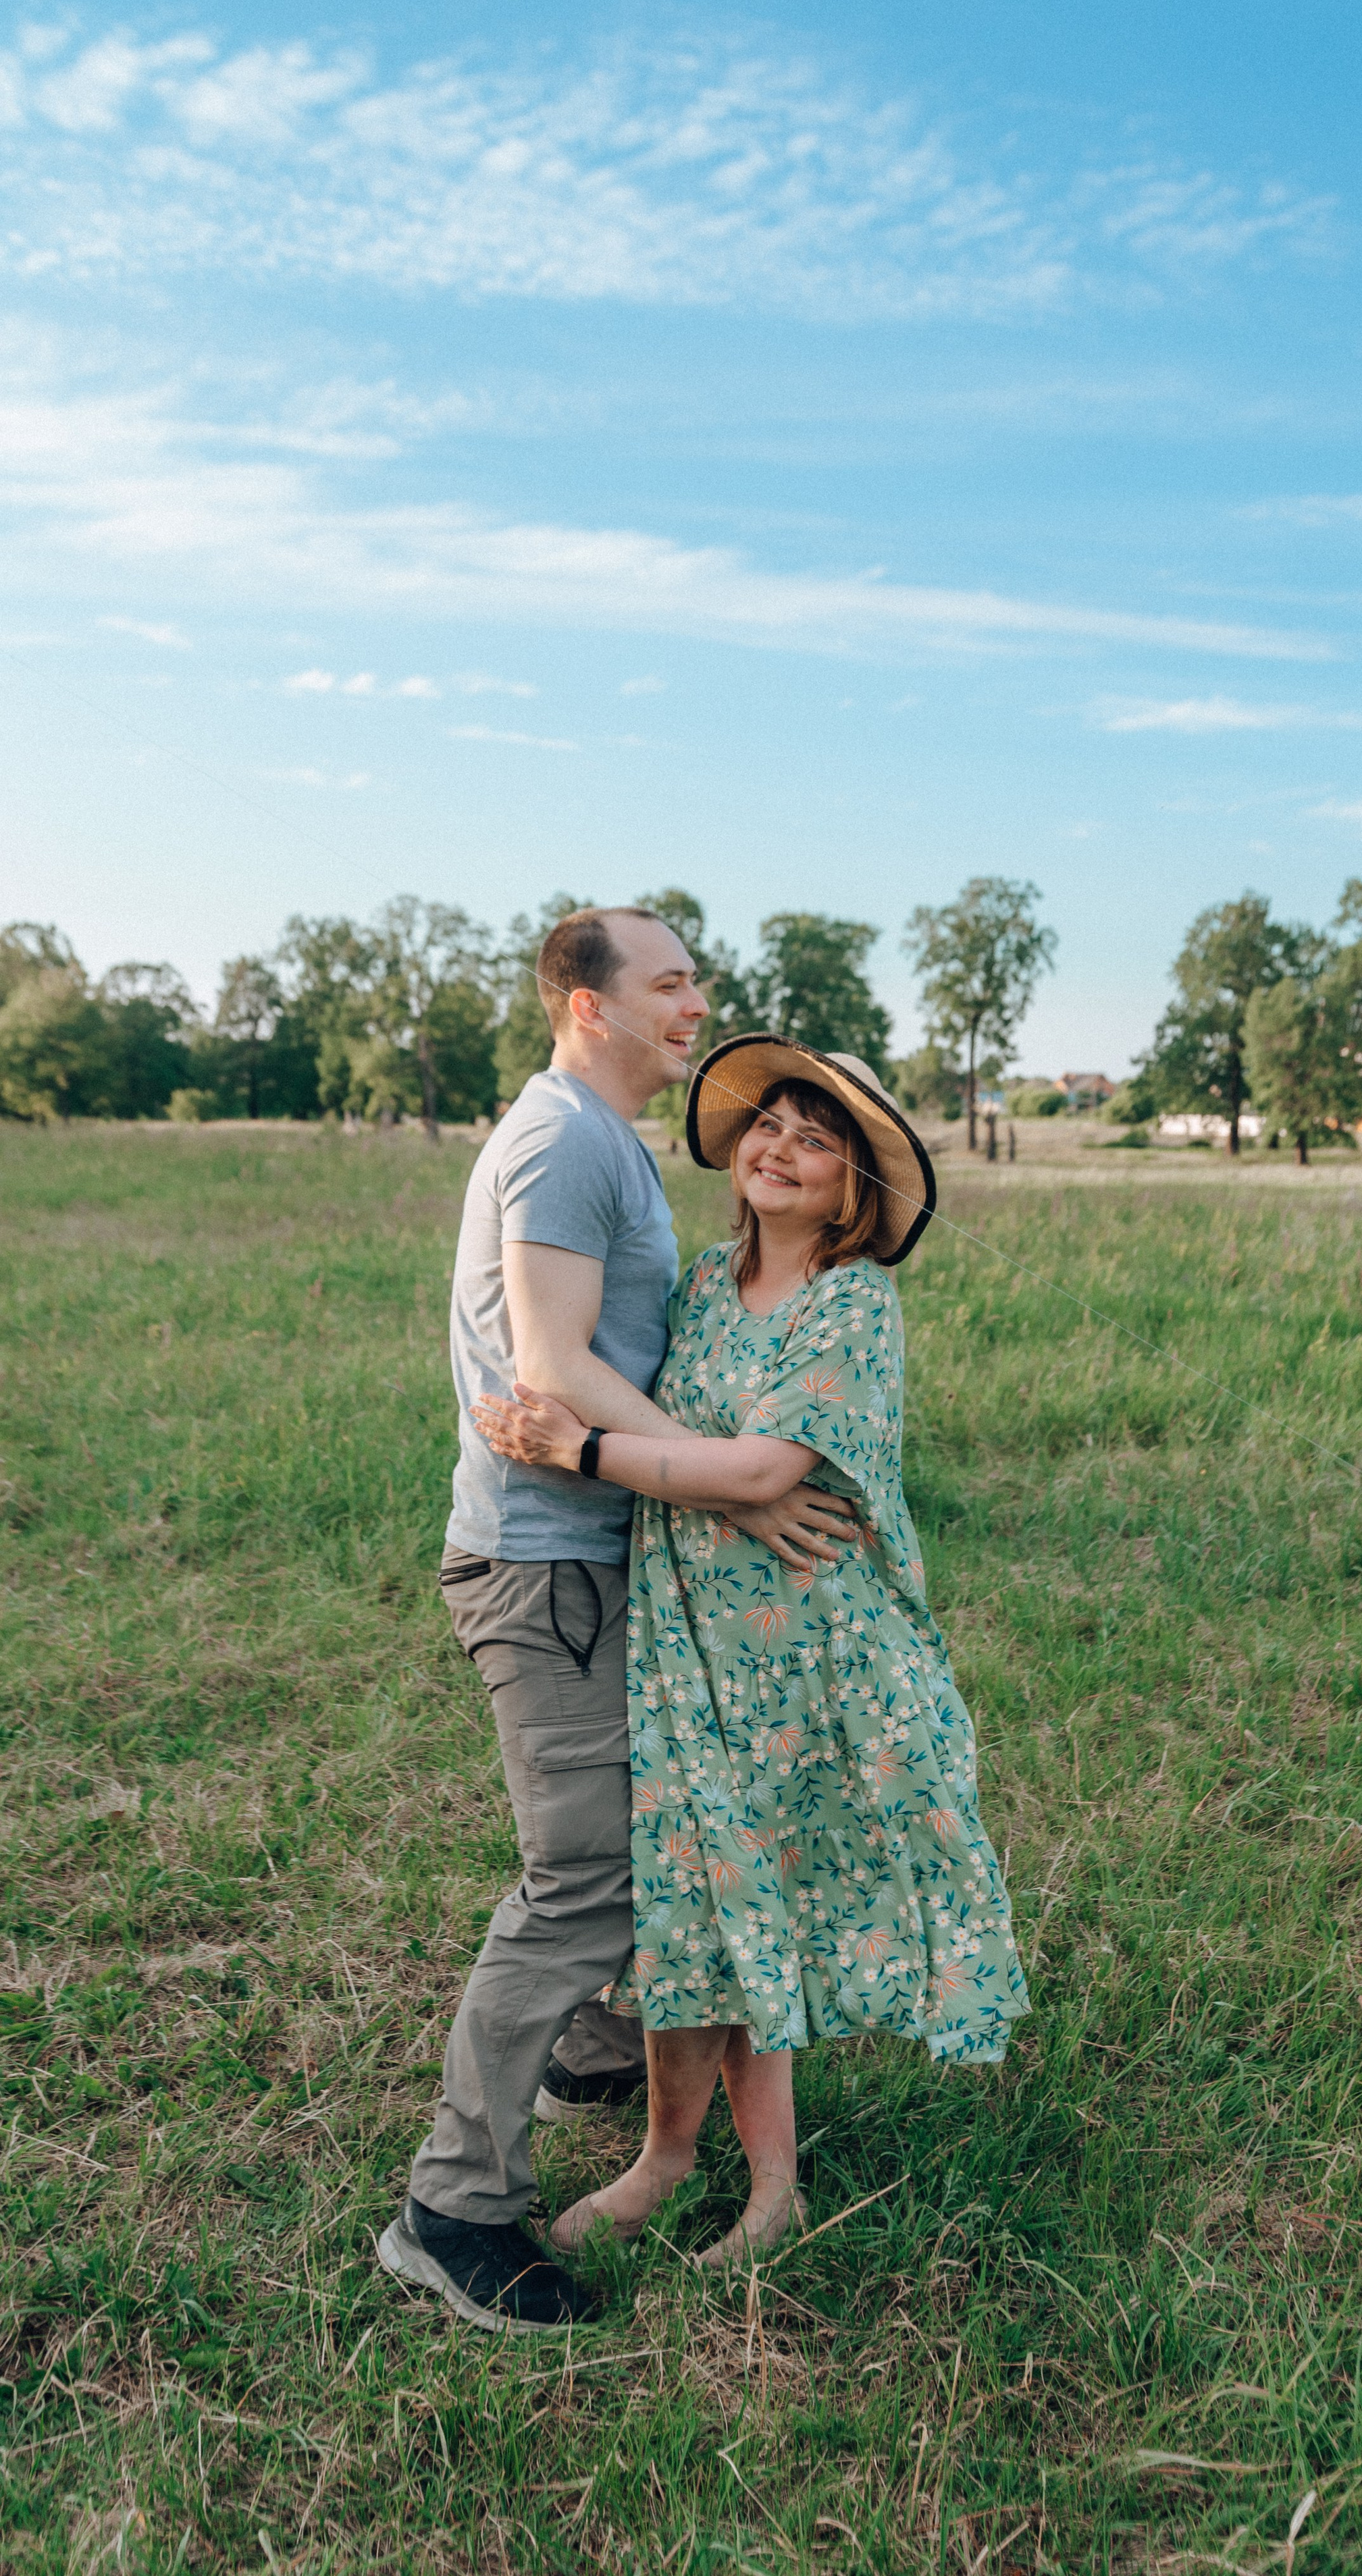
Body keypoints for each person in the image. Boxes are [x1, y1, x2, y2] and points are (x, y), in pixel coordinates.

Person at [475, 1034, 1029, 2266]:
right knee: (694, 1897)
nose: (780, 1147)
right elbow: (702, 1443)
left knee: (762, 1893)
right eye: (770, 1124)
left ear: (853, 1189)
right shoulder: (704, 1288)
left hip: (811, 1649)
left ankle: (771, 2185)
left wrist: (577, 1451)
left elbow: (767, 1467)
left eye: (817, 1139)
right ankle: (666, 2155)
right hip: (688, 1638)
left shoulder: (851, 1302)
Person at [378, 916, 857, 2335]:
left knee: (653, 1830)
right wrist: (718, 1483)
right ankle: (454, 2207)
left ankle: (593, 2043)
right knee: (582, 1878)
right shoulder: (567, 1140)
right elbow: (549, 1361)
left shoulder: (606, 1141)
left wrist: (693, 1483)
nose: (694, 1002)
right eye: (669, 981)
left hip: (599, 1552)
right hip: (549, 1563)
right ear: (588, 1006)